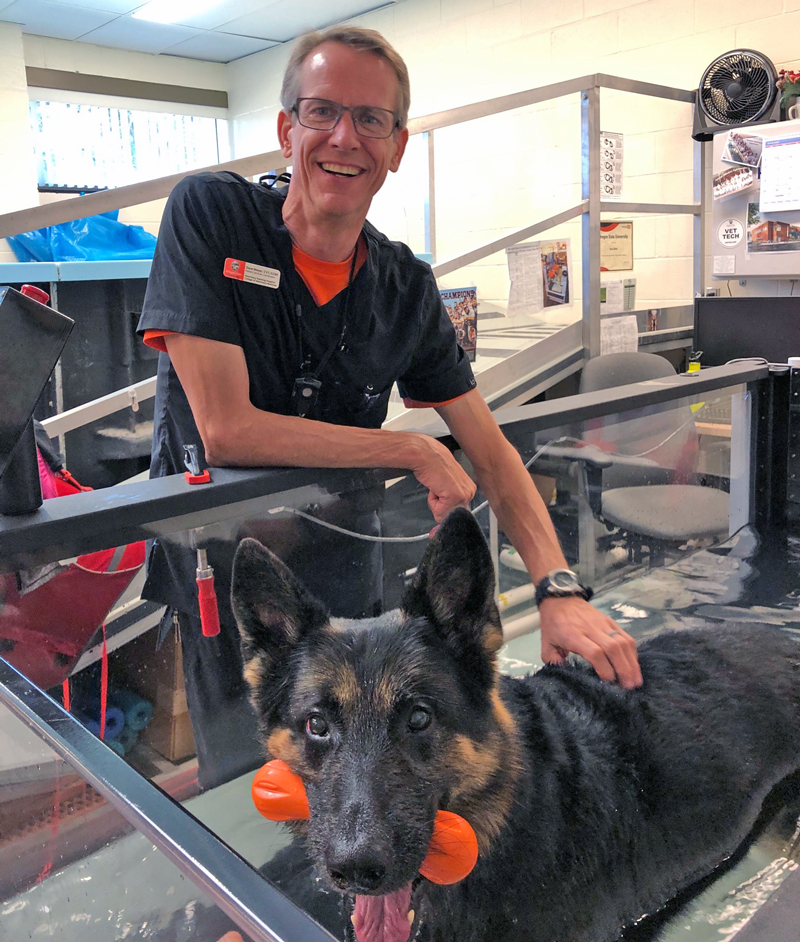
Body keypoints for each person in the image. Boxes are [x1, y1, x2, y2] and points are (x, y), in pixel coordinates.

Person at [137, 25, 642, 789]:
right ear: (287, 130)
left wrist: (557, 588)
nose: (345, 137)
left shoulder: (404, 285)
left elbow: (493, 450)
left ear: (397, 145)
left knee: (375, 777)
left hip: (344, 564)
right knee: (255, 783)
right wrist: (406, 448)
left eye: (371, 119)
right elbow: (226, 430)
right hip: (238, 580)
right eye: (322, 112)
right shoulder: (211, 216)